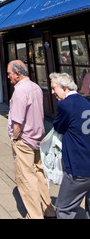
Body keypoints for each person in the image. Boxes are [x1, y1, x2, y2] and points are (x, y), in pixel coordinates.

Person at [7, 60, 56, 219]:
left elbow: (18, 122)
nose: (8, 77)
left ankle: (35, 215)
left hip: (24, 140)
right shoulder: (35, 87)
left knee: (26, 179)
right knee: (39, 175)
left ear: (18, 73)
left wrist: (15, 138)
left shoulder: (20, 91)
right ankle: (49, 210)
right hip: (38, 138)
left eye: (10, 74)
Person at [50, 72, 90, 219]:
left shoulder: (65, 104)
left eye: (55, 88)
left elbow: (59, 127)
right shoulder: (84, 101)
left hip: (77, 165)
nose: (53, 92)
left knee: (63, 208)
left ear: (65, 87)